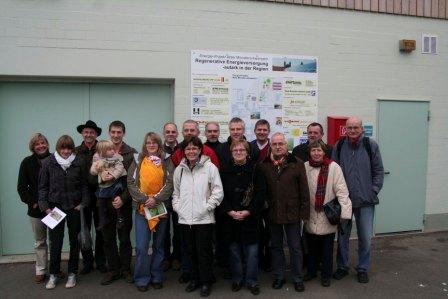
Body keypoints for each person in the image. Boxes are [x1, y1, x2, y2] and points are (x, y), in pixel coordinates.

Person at [254, 132, 310, 292]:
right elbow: (261, 190)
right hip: (273, 213)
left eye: (281, 144)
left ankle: (297, 277)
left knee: (295, 247)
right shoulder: (263, 165)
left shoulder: (297, 163)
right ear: (271, 146)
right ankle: (278, 276)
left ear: (287, 146)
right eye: (275, 144)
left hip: (293, 213)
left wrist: (304, 214)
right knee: (276, 247)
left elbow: (304, 191)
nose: (278, 146)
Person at [332, 117, 384, 283]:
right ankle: (342, 266)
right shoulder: (339, 146)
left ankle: (362, 268)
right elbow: (333, 172)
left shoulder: (371, 145)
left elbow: (378, 171)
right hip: (344, 201)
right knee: (342, 237)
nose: (352, 130)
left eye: (356, 127)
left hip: (366, 201)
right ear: (345, 129)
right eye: (349, 128)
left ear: (362, 129)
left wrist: (373, 191)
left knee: (365, 238)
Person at [172, 136, 223, 297]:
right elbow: (176, 192)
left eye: (194, 148)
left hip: (204, 219)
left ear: (200, 150)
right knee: (190, 251)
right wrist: (178, 208)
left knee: (204, 252)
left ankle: (206, 282)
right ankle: (195, 279)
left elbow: (218, 191)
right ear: (184, 151)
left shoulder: (210, 168)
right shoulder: (179, 170)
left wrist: (207, 207)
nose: (191, 151)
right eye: (188, 149)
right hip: (185, 219)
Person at [38, 135, 89, 289]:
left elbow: (85, 186)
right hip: (55, 208)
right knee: (56, 242)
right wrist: (45, 207)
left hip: (74, 207)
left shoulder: (79, 162)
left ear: (72, 148)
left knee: (75, 241)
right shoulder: (48, 163)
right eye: (63, 148)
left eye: (69, 148)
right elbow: (42, 187)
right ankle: (53, 274)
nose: (66, 151)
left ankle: (72, 273)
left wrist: (83, 203)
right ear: (58, 148)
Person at [128, 132, 174, 292]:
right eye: (148, 143)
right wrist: (144, 199)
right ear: (145, 145)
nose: (151, 145)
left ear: (159, 144)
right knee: (141, 246)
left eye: (154, 142)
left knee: (159, 245)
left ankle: (157, 276)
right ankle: (141, 278)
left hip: (160, 207)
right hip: (142, 208)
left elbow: (170, 181)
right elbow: (131, 182)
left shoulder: (166, 160)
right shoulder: (138, 160)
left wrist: (156, 199)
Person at [303, 140, 352, 287]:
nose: (316, 153)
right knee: (311, 247)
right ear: (310, 152)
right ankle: (311, 272)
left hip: (327, 214)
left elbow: (342, 191)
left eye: (319, 150)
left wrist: (345, 212)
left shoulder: (333, 167)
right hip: (311, 213)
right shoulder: (305, 166)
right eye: (313, 150)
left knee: (327, 248)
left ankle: (326, 275)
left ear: (324, 152)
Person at [220, 140, 264, 295]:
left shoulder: (256, 170)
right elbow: (220, 195)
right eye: (235, 150)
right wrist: (229, 211)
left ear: (247, 152)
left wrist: (249, 211)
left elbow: (261, 194)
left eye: (242, 150)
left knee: (252, 253)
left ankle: (252, 281)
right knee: (234, 251)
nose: (238, 152)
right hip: (230, 218)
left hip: (250, 218)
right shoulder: (224, 171)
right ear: (231, 153)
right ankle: (237, 279)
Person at [100, 121, 137, 285]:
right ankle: (113, 270)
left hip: (123, 203)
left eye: (119, 132)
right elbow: (93, 175)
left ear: (124, 133)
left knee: (124, 238)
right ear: (109, 133)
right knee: (108, 238)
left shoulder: (131, 153)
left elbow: (134, 181)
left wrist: (123, 198)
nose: (116, 135)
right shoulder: (101, 151)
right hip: (104, 203)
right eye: (113, 132)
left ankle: (125, 269)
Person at [17, 133, 51, 284]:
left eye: (43, 143)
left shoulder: (55, 159)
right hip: (36, 210)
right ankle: (41, 269)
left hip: (53, 209)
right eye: (37, 144)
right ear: (33, 147)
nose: (41, 146)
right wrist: (33, 202)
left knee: (56, 239)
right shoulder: (27, 162)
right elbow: (22, 187)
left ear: (47, 144)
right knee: (40, 241)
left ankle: (55, 268)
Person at [75, 120, 107, 274]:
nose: (88, 135)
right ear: (82, 133)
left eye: (92, 132)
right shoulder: (75, 152)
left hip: (100, 195)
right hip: (82, 197)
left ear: (96, 134)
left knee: (100, 228)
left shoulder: (103, 150)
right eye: (86, 132)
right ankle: (87, 262)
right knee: (83, 229)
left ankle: (101, 260)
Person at [249, 119, 271, 272]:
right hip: (253, 196)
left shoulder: (274, 147)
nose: (262, 132)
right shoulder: (248, 147)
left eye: (264, 130)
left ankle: (268, 260)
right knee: (256, 230)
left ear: (268, 131)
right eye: (259, 129)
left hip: (271, 196)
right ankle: (256, 260)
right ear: (255, 131)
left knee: (270, 231)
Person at [90, 140, 127, 230]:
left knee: (116, 199)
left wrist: (113, 176)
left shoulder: (116, 158)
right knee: (101, 200)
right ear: (102, 151)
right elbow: (93, 171)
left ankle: (120, 218)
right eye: (110, 149)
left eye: (113, 149)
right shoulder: (97, 159)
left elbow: (120, 168)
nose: (113, 151)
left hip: (116, 182)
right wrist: (96, 169)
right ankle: (103, 219)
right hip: (104, 184)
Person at [162, 122, 181, 272]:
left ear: (177, 134)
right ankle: (165, 257)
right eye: (167, 132)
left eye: (173, 132)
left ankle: (177, 257)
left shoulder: (183, 149)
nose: (170, 134)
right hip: (162, 196)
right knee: (163, 229)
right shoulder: (158, 150)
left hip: (180, 195)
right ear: (164, 134)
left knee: (178, 228)